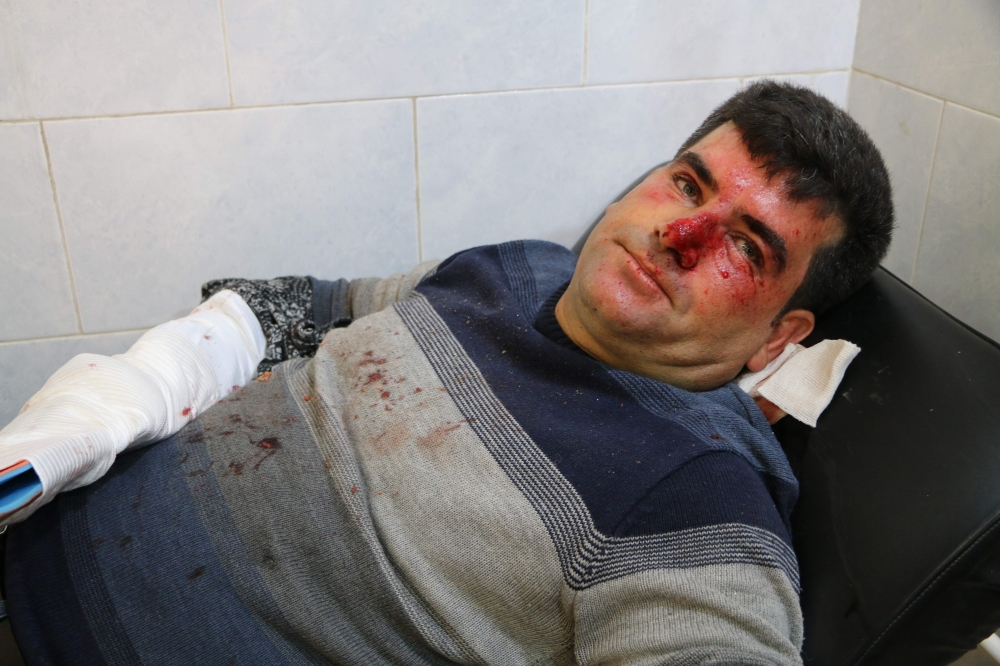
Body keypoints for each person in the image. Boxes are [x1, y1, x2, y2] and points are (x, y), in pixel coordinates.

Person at [2, 80, 892, 665]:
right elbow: (293, 312)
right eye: (691, 185)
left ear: (777, 340)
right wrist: (128, 392)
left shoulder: (694, 507)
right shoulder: (519, 268)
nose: (679, 235)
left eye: (745, 245)